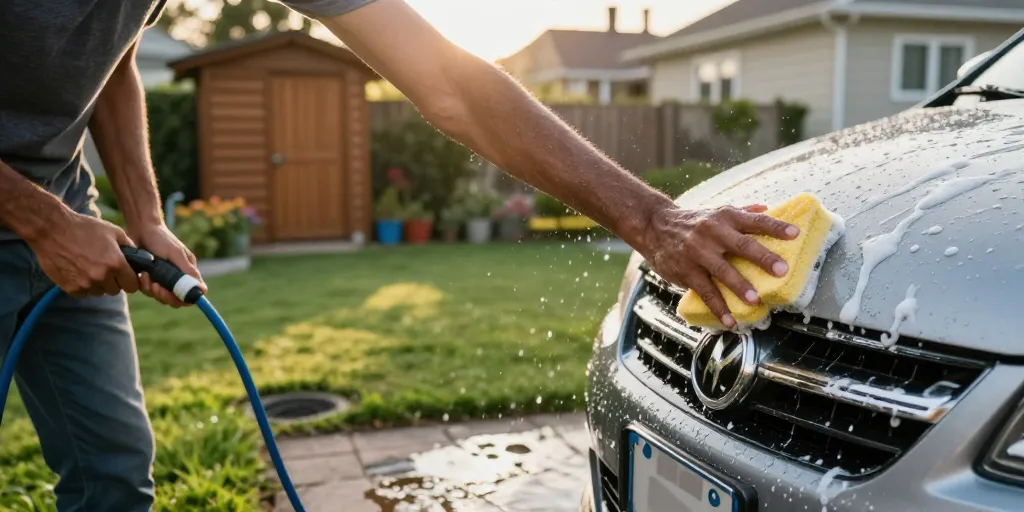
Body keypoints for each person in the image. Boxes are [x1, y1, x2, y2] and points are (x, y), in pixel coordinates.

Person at [0, 0, 799, 509]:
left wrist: (653, 220)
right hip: (37, 211)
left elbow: (448, 83)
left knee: (112, 472)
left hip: (68, 207)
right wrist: (38, 221)